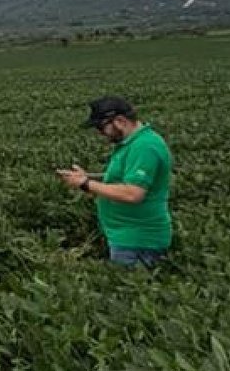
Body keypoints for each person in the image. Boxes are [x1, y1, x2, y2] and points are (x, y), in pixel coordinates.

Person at [56, 95, 172, 268]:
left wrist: (86, 184)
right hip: (126, 238)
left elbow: (133, 193)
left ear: (120, 121)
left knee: (132, 283)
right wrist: (87, 177)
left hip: (138, 242)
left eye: (101, 128)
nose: (101, 134)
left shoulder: (145, 146)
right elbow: (124, 178)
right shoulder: (132, 144)